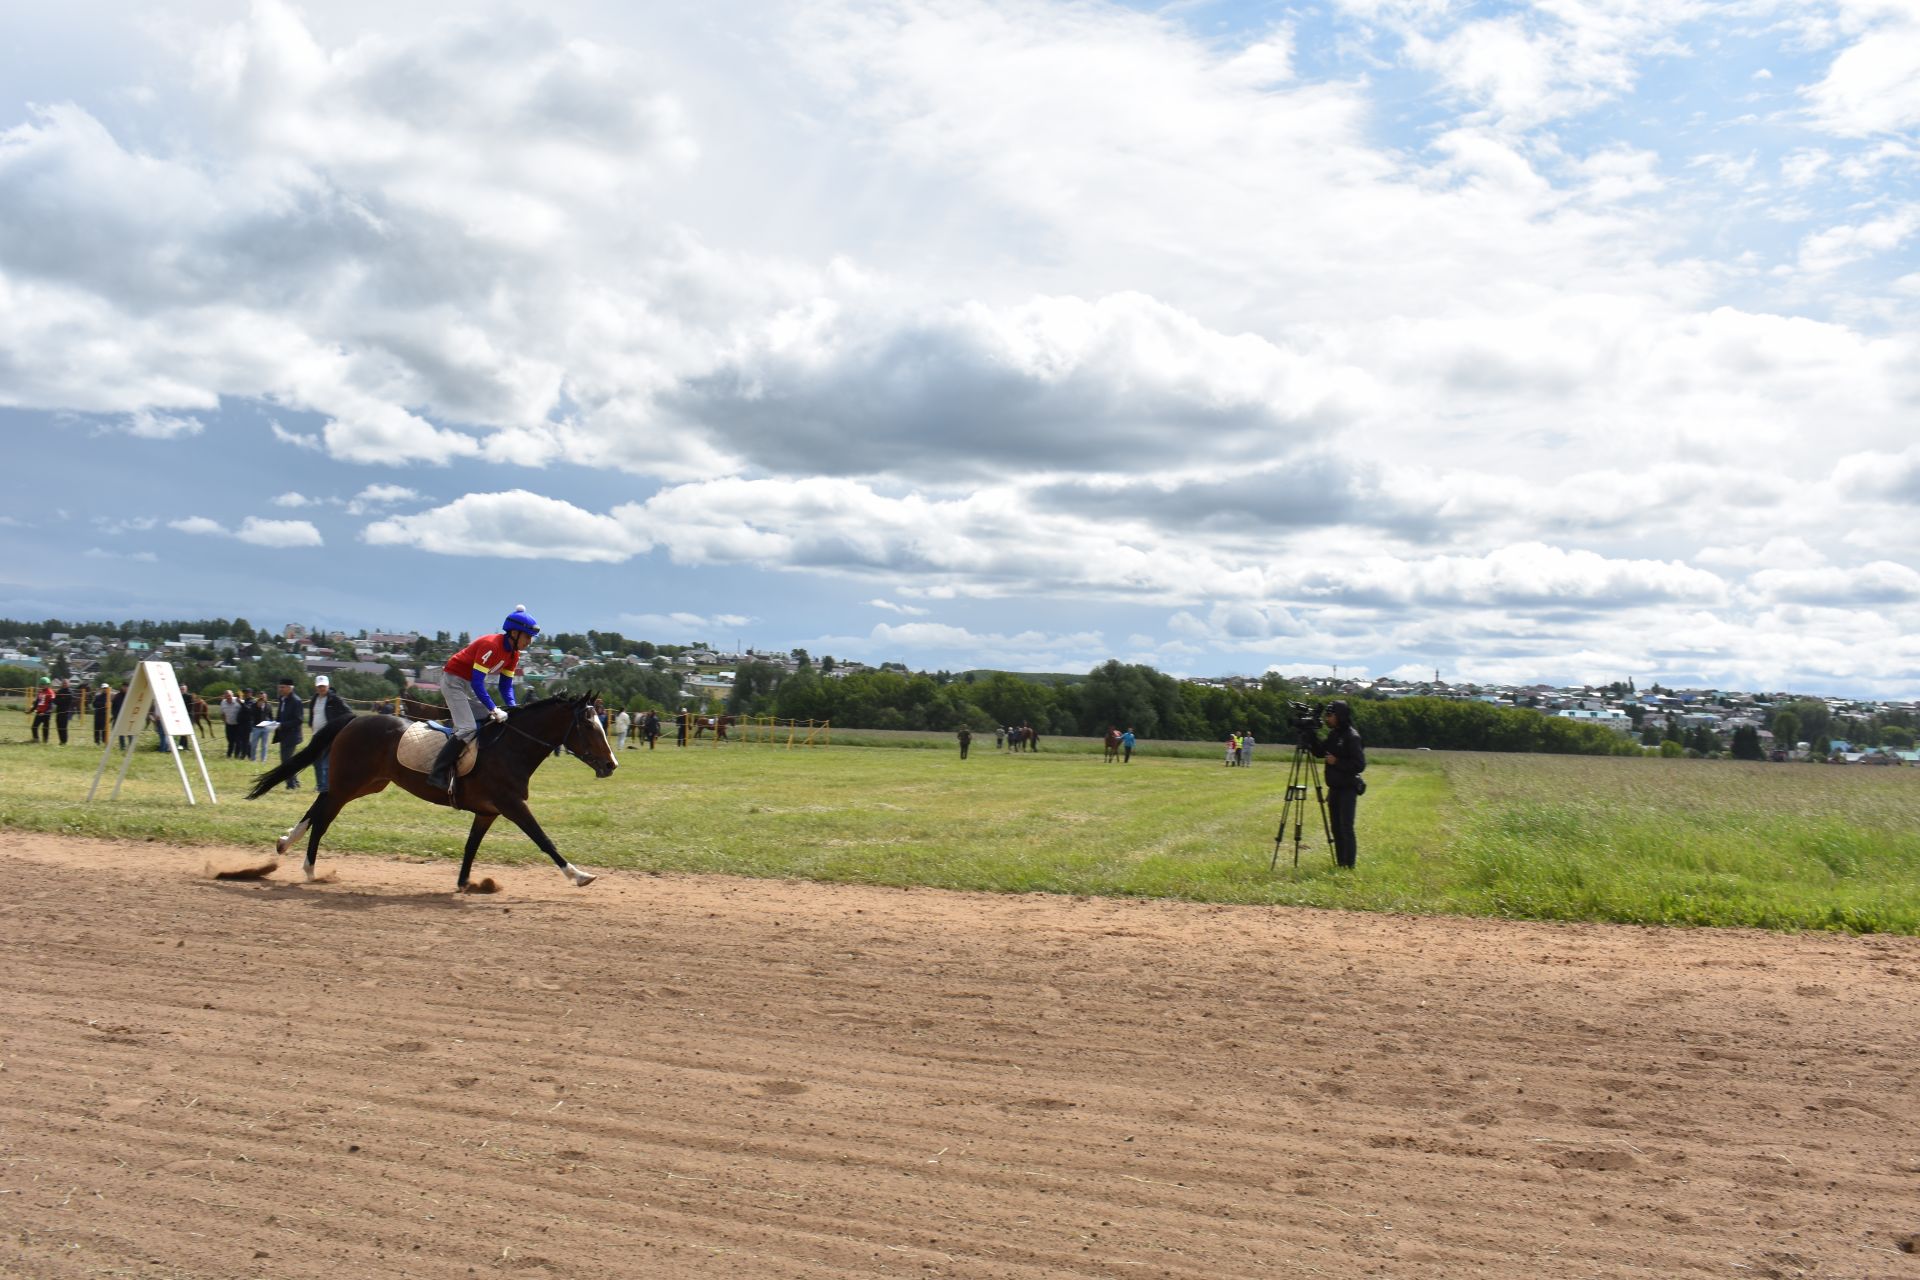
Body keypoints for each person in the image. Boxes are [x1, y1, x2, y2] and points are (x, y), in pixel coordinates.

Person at [429, 607, 539, 793]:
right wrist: (493, 708)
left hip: (468, 685)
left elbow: (505, 686)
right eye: (527, 637)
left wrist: (513, 709)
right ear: (514, 633)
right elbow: (479, 683)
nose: (529, 642)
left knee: (488, 721)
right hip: (453, 681)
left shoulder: (514, 654)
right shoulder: (491, 645)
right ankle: (438, 773)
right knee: (468, 727)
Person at [1317, 700, 1367, 869]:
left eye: (1330, 715)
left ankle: (1349, 865)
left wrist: (1336, 761)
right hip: (1335, 789)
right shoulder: (1334, 735)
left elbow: (1359, 765)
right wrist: (1309, 733)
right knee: (1336, 828)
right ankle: (1341, 863)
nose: (1327, 719)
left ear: (1340, 716)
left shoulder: (1352, 737)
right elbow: (1319, 751)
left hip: (1347, 789)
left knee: (1346, 827)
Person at [306, 675, 351, 791]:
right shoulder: (314, 699)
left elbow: (348, 713)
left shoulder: (335, 699)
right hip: (316, 735)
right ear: (316, 687)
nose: (321, 688)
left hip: (329, 736)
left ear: (328, 686)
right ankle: (320, 785)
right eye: (319, 686)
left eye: (323, 686)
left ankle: (326, 787)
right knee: (316, 762)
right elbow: (313, 714)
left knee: (326, 763)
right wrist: (311, 723)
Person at [274, 677, 304, 789]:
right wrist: (274, 723)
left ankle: (291, 785)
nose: (280, 689)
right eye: (279, 687)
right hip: (283, 735)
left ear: (290, 688)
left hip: (292, 735)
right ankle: (294, 781)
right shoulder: (282, 699)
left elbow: (298, 720)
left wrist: (282, 725)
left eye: (283, 687)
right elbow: (280, 715)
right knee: (287, 760)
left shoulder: (296, 701)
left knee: (286, 761)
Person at [249, 690, 273, 761]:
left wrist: (271, 725)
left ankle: (263, 760)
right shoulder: (254, 705)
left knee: (264, 745)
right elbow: (251, 715)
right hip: (256, 728)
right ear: (258, 698)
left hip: (266, 728)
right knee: (254, 745)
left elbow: (271, 716)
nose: (262, 699)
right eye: (260, 697)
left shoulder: (269, 705)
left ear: (266, 698)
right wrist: (258, 707)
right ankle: (253, 759)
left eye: (263, 697)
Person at [52, 679, 76, 745]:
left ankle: (64, 741)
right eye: (63, 683)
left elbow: (69, 701)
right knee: (58, 726)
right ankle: (61, 741)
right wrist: (62, 700)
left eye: (66, 683)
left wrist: (60, 700)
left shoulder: (70, 692)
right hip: (59, 711)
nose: (64, 684)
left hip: (66, 712)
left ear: (68, 684)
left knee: (63, 727)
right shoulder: (60, 691)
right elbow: (55, 701)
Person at [29, 678, 53, 744]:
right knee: (34, 727)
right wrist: (30, 711)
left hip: (47, 713)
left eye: (43, 684)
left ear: (48, 685)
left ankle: (45, 742)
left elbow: (51, 705)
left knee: (45, 728)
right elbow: (37, 703)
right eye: (41, 684)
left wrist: (45, 712)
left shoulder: (51, 693)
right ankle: (36, 740)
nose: (42, 686)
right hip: (39, 712)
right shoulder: (40, 692)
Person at [221, 690, 243, 758]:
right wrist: (225, 721)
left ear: (232, 695)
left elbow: (245, 708)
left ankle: (237, 755)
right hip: (228, 725)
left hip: (238, 725)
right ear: (224, 696)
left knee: (238, 741)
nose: (228, 697)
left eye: (230, 696)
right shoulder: (223, 702)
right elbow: (222, 714)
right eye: (227, 696)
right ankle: (229, 755)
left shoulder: (238, 701)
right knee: (230, 741)